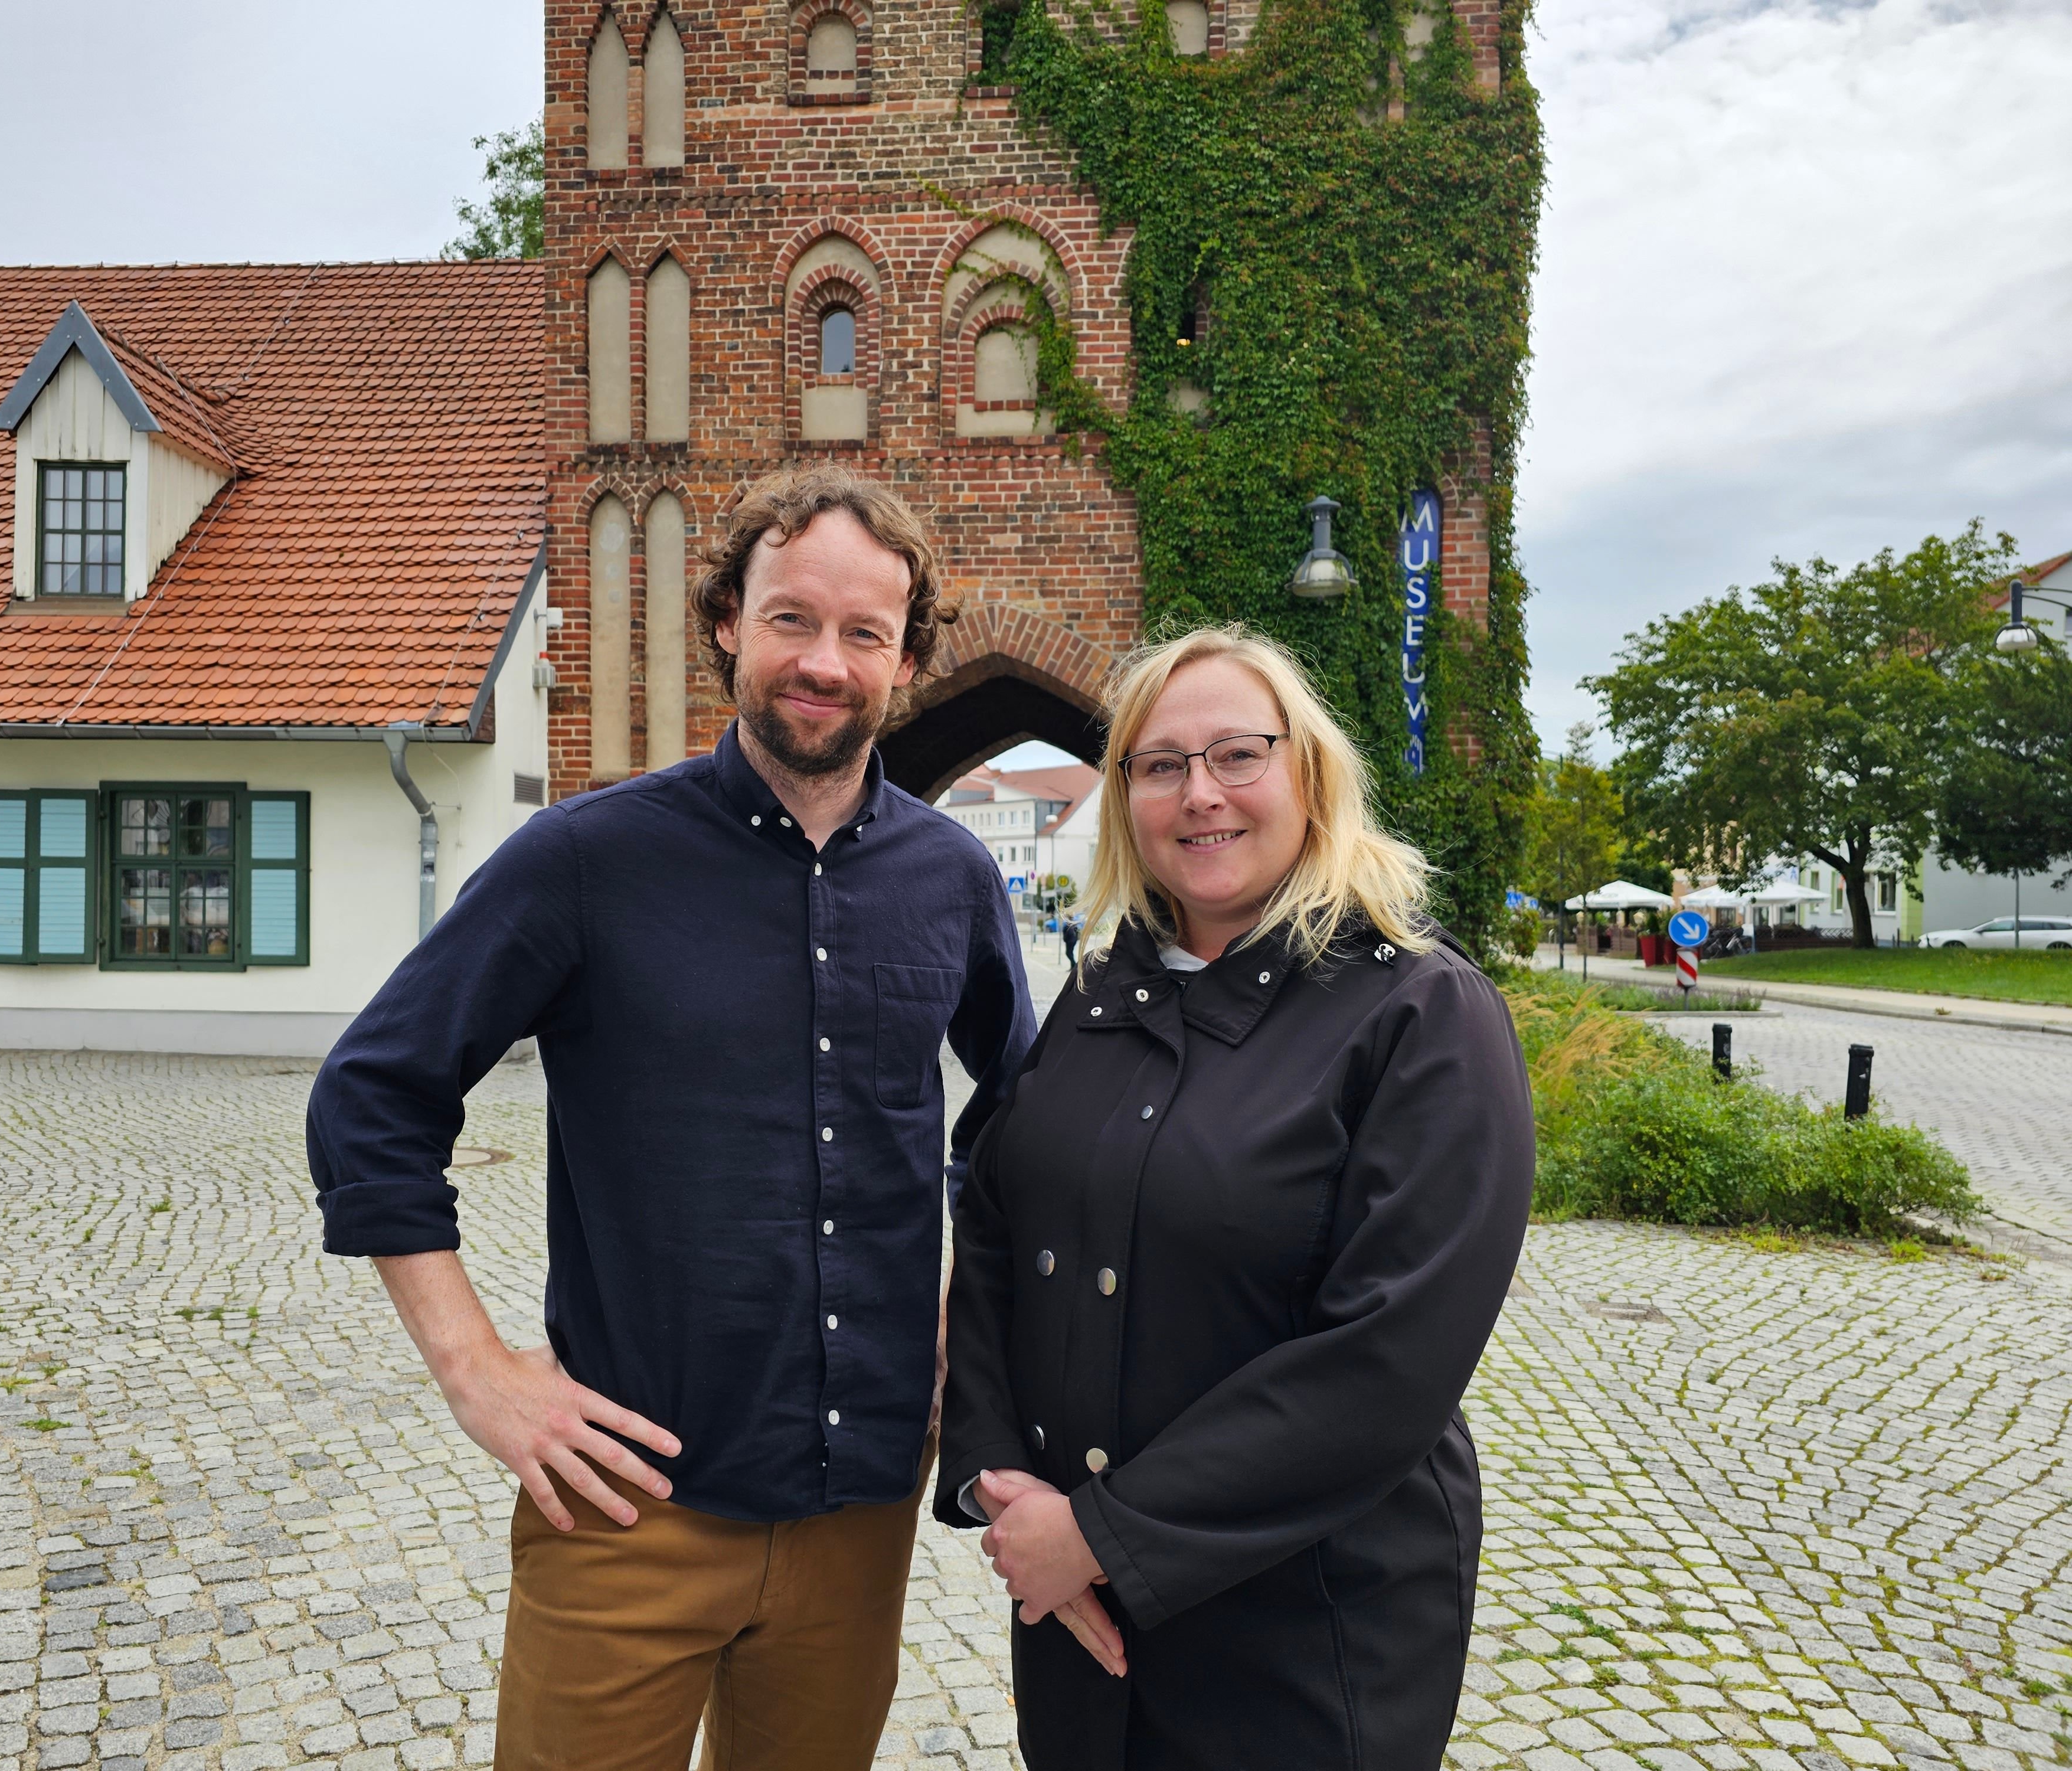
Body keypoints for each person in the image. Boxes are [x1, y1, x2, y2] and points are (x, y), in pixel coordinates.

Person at [308, 463, 1037, 1771]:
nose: (824, 661)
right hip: (627, 1508)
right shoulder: (585, 860)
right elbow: (375, 1095)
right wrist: (478, 1373)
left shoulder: (951, 876)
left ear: (907, 659)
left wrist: (959, 1309)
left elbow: (1024, 1118)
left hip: (855, 1507)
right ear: (726, 622)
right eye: (790, 619)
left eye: (863, 633)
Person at [936, 625, 1534, 1770]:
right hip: (1076, 1617)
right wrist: (995, 1479)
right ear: (1124, 800)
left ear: (1306, 772)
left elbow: (1386, 1359)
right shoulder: (1100, 993)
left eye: (1235, 756)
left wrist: (1098, 1535)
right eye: (1159, 765)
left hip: (1300, 1627)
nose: (1197, 794)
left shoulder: (1419, 1015)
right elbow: (999, 1222)